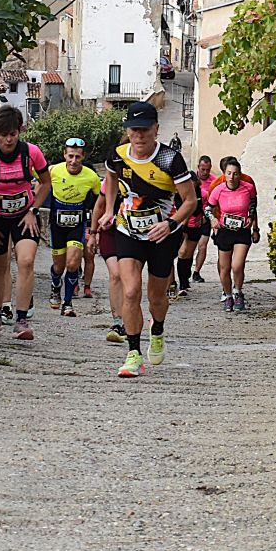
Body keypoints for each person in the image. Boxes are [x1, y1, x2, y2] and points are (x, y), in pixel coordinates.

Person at [95, 100, 199, 378]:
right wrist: (108, 212)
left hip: (162, 236)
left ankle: (158, 329)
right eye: (133, 130)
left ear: (156, 129)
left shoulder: (170, 159)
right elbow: (112, 182)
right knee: (130, 291)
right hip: (127, 231)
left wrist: (171, 223)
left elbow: (190, 200)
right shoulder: (117, 155)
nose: (139, 135)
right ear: (127, 131)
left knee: (155, 297)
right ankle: (133, 355)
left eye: (144, 130)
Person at [0, 105, 49, 341]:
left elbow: (45, 182)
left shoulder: (31, 153)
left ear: (19, 131)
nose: (8, 139)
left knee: (26, 261)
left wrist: (33, 210)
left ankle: (22, 319)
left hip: (25, 215)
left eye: (13, 134)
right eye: (4, 135)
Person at [45, 137, 103, 315]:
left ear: (83, 157)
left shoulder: (91, 177)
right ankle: (56, 285)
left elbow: (100, 201)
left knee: (72, 263)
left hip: (77, 225)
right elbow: (36, 181)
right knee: (59, 267)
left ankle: (67, 303)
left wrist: (96, 228)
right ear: (64, 155)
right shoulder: (53, 171)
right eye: (70, 156)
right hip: (57, 225)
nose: (73, 161)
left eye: (77, 157)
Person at [207, 156, 259, 311]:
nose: (232, 177)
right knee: (224, 268)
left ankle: (238, 292)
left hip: (242, 231)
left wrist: (252, 221)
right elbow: (208, 208)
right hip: (224, 230)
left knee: (237, 265)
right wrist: (212, 220)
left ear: (239, 174)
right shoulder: (218, 189)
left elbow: (253, 204)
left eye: (235, 173)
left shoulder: (248, 187)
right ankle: (228, 295)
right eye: (229, 173)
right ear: (224, 174)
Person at [176, 154, 216, 296]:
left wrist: (205, 218)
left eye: (208, 169)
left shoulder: (205, 186)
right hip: (182, 224)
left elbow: (199, 206)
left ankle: (187, 278)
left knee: (188, 253)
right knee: (181, 252)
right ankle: (179, 283)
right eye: (203, 169)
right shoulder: (179, 190)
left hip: (197, 223)